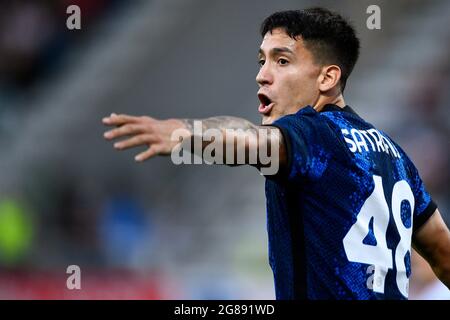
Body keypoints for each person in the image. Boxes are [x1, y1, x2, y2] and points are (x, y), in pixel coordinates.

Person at [102, 8, 450, 299]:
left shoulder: (314, 134)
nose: (261, 76)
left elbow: (251, 142)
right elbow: (442, 252)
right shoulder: (395, 156)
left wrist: (186, 135)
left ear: (327, 78)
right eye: (261, 60)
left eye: (281, 61)